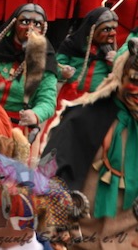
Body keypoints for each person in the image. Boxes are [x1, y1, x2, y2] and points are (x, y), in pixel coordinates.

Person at [45, 37, 138, 249]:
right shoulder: (83, 117)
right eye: (135, 80)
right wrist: (55, 226)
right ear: (120, 76)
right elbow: (50, 172)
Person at [0, 4, 58, 135]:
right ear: (14, 24)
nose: (30, 28)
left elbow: (48, 100)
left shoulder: (46, 60)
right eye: (25, 22)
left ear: (43, 29)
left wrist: (35, 114)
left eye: (37, 24)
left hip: (16, 127)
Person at [57, 7, 119, 100]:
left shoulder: (111, 50)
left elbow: (119, 75)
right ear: (92, 29)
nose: (113, 33)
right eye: (106, 29)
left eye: (114, 29)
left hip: (98, 99)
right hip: (71, 96)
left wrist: (115, 62)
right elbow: (56, 65)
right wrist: (63, 72)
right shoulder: (72, 44)